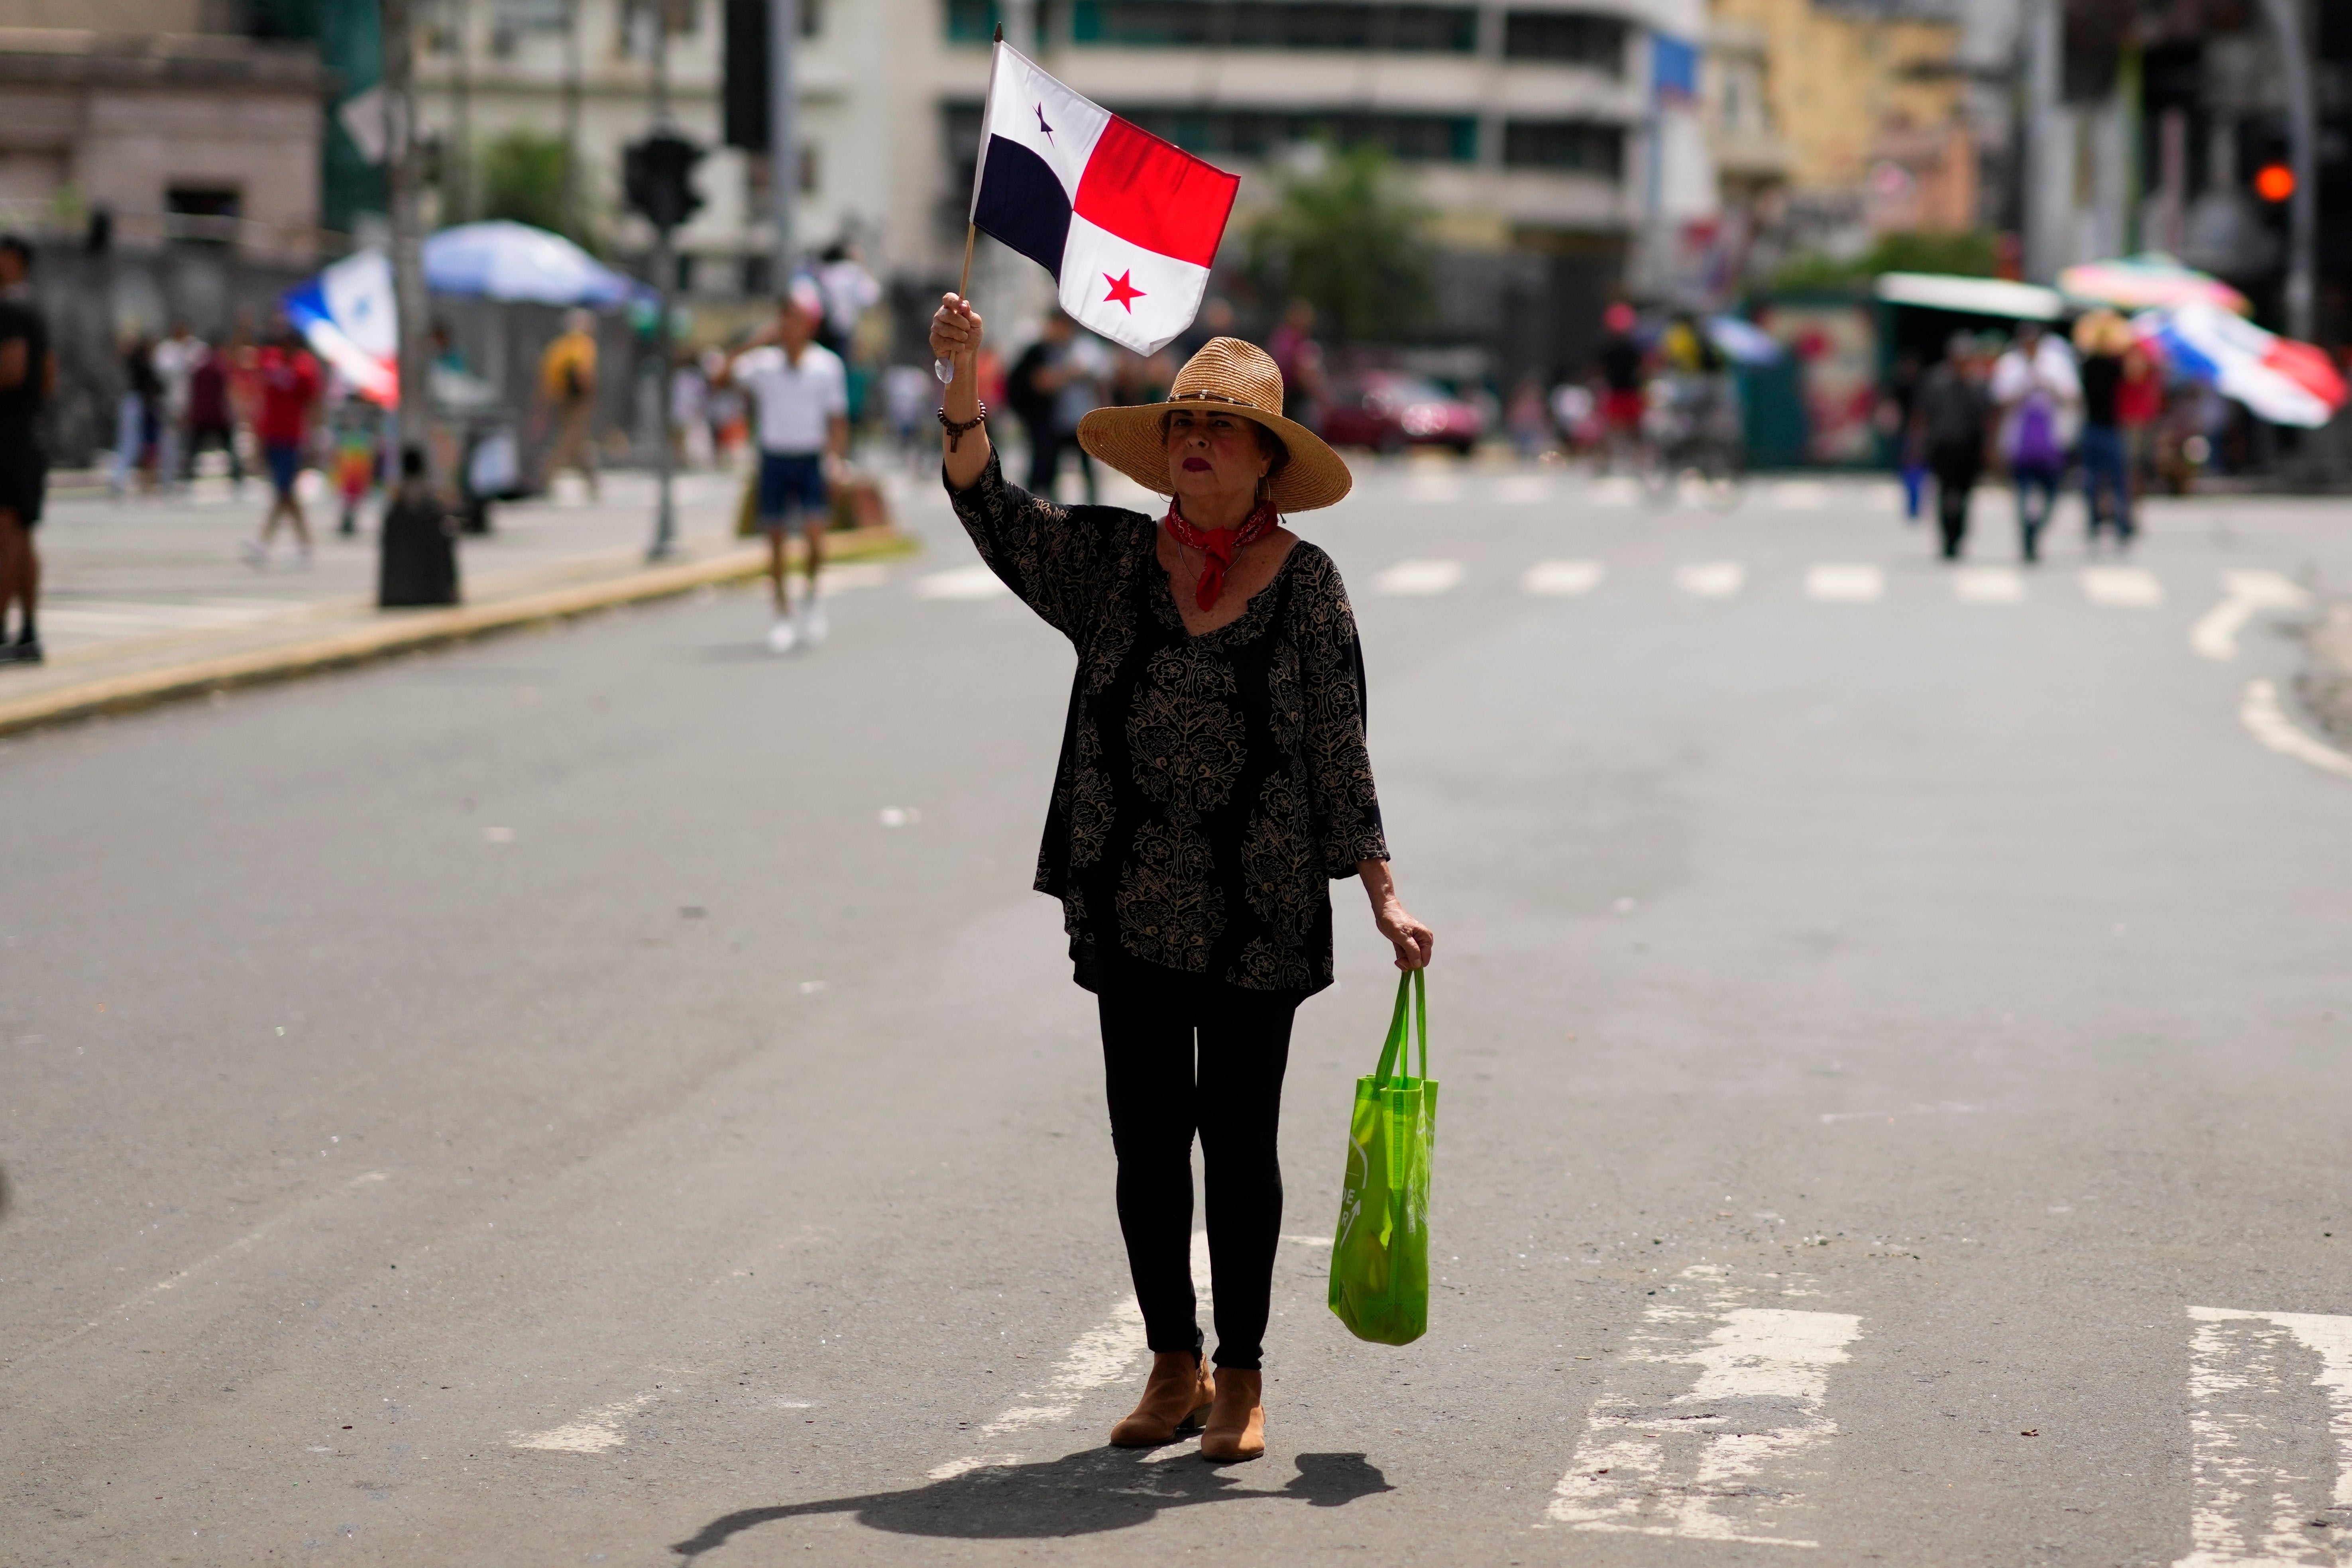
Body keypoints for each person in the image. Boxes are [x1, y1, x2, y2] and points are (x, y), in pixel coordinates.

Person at [929, 293, 1436, 1465]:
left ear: (1264, 461)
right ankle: (1172, 1362)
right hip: (1130, 898)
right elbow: (988, 506)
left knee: (1239, 1146)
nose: (1196, 441)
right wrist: (962, 378)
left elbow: (1339, 747)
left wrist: (1381, 893)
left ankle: (1241, 1374)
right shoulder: (1110, 561)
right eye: (1183, 425)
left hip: (1260, 911)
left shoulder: (1307, 584)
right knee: (1148, 1145)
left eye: (1220, 428)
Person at [724, 281, 848, 653]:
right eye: (786, 318)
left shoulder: (826, 365)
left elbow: (837, 419)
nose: (792, 325)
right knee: (775, 540)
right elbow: (720, 376)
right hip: (774, 458)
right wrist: (756, 342)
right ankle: (781, 616)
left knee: (815, 537)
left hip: (810, 459)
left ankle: (811, 599)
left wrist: (834, 459)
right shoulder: (762, 365)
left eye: (798, 318)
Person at [0, 234, 55, 665]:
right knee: (21, 531)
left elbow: (12, 369)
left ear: (14, 260)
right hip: (28, 432)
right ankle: (29, 631)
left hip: (6, 434)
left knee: (5, 533)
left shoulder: (8, 311)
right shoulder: (35, 309)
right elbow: (49, 373)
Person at [1990, 320, 2078, 564]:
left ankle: (2035, 530)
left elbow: (2073, 397)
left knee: (2053, 493)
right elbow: (1999, 400)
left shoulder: (2056, 363)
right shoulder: (2010, 364)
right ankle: (2026, 536)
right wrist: (2024, 388)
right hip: (2019, 441)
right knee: (2022, 492)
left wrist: (2048, 386)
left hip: (2052, 440)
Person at [241, 318, 322, 568]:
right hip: (271, 434)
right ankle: (305, 544)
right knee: (286, 493)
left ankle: (263, 542)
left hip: (292, 436)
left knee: (284, 490)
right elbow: (250, 369)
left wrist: (315, 436)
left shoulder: (305, 367)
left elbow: (314, 404)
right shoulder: (270, 361)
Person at [1910, 333, 1992, 560]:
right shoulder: (1936, 381)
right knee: (1945, 493)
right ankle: (1947, 537)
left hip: (1969, 448)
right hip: (1943, 447)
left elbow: (1987, 417)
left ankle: (1959, 536)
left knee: (1965, 495)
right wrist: (1918, 443)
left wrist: (1988, 447)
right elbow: (1921, 415)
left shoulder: (1978, 384)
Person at [1006, 312, 1085, 500]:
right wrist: (1068, 375)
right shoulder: (1038, 351)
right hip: (1037, 415)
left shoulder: (1057, 350)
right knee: (1042, 464)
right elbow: (1042, 383)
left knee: (1050, 464)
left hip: (1049, 417)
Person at [2073, 310, 2134, 552]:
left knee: (2093, 480)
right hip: (2109, 429)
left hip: (2090, 428)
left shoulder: (2086, 365)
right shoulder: (2111, 366)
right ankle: (2122, 526)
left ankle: (2094, 524)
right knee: (2118, 481)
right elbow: (2132, 375)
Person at [539, 308, 600, 497]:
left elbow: (547, 376)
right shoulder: (583, 344)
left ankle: (592, 480)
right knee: (570, 441)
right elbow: (582, 372)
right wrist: (590, 395)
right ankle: (546, 476)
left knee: (578, 441)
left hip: (562, 398)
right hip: (576, 400)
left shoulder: (560, 345)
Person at [152, 319, 204, 493]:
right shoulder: (166, 350)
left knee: (190, 442)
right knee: (169, 441)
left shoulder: (197, 348)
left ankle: (187, 477)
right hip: (170, 402)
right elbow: (164, 372)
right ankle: (168, 478)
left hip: (193, 403)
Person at [182, 338, 240, 491]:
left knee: (195, 448)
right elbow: (227, 393)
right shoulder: (220, 369)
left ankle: (188, 472)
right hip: (217, 415)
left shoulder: (199, 370)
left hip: (202, 414)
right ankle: (237, 474)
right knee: (229, 447)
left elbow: (192, 394)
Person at [1596, 302, 1647, 473]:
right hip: (1626, 393)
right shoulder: (1632, 350)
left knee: (1616, 431)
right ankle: (1639, 463)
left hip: (1622, 394)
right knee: (1630, 432)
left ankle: (1606, 463)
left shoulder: (1610, 350)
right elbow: (1642, 371)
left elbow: (1600, 372)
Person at [110, 332, 161, 496]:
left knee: (134, 443)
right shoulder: (140, 365)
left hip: (136, 404)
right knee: (129, 443)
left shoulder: (143, 365)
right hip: (135, 403)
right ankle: (118, 478)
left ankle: (122, 477)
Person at [1265, 298, 1325, 434]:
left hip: (1281, 394)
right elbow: (1301, 371)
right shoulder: (1292, 339)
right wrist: (1320, 396)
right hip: (1289, 395)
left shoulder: (1283, 336)